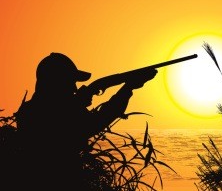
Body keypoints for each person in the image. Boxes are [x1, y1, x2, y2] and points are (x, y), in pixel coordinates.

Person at [13, 52, 157, 190]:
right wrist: (127, 88)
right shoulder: (45, 111)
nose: (75, 87)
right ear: (56, 82)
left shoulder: (30, 110)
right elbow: (96, 123)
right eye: (70, 82)